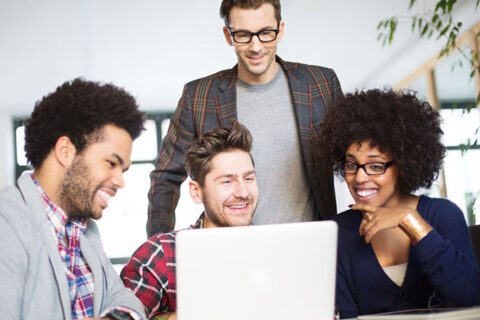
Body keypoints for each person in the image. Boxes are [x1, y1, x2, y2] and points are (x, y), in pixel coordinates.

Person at [146, 0, 343, 237]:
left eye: (265, 33)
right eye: (243, 35)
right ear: (228, 36)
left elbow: (355, 158)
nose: (256, 46)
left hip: (312, 241)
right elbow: (165, 177)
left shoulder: (320, 83)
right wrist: (161, 245)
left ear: (280, 30)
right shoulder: (198, 96)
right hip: (232, 246)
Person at [317, 89, 480, 318]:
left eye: (376, 166)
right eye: (352, 165)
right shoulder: (338, 232)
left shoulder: (443, 215)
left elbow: (469, 297)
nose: (359, 177)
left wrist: (412, 223)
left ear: (404, 164)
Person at [0, 78, 147, 320]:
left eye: (123, 170)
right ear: (65, 151)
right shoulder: (7, 222)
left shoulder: (84, 230)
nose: (120, 181)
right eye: (111, 163)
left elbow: (122, 297)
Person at [122, 120, 258, 319]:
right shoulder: (161, 254)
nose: (243, 192)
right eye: (227, 181)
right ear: (196, 192)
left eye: (248, 178)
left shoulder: (278, 250)